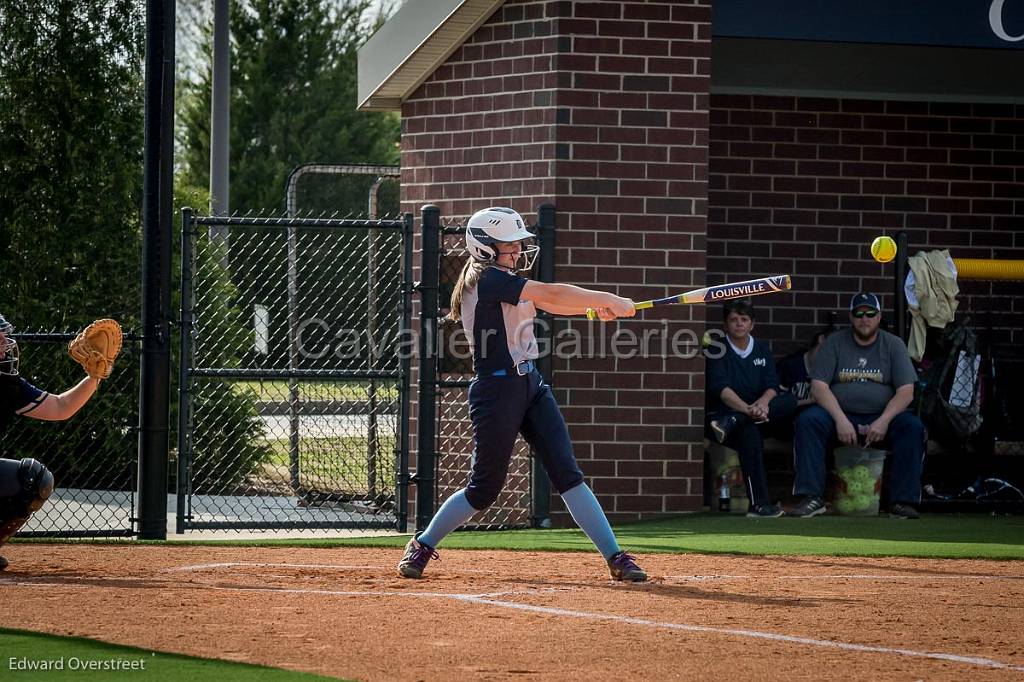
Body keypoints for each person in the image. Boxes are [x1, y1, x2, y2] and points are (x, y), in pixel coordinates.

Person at [397, 207, 647, 582]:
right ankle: (424, 542)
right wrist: (610, 296)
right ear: (483, 247)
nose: (516, 252)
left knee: (568, 474)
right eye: (509, 246)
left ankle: (616, 556)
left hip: (530, 385)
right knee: (484, 489)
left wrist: (598, 307)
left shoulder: (507, 278)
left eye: (517, 245)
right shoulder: (487, 279)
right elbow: (550, 292)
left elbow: (551, 302)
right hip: (497, 391)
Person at [789, 293, 925, 519]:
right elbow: (819, 386)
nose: (865, 318)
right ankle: (812, 497)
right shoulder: (834, 342)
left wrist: (883, 421)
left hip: (883, 418)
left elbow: (906, 392)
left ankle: (902, 502)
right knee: (808, 420)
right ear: (851, 317)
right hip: (840, 417)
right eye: (859, 313)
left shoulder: (894, 345)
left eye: (870, 313)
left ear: (879, 316)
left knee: (912, 427)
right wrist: (840, 419)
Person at [0, 314, 118, 570]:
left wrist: (96, 376)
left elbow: (60, 407)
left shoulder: (6, 385)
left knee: (33, 480)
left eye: (3, 336)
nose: (5, 343)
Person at [705, 300, 798, 518]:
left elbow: (772, 386)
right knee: (750, 435)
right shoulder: (716, 348)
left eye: (744, 319)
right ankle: (759, 505)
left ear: (752, 324)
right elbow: (720, 388)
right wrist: (747, 409)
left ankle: (737, 419)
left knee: (789, 402)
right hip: (723, 416)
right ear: (726, 324)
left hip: (751, 414)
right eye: (733, 320)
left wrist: (762, 404)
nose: (739, 324)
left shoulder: (761, 349)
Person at [777, 328, 829, 411]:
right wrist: (809, 401)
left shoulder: (834, 370)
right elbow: (775, 403)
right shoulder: (790, 365)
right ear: (821, 339)